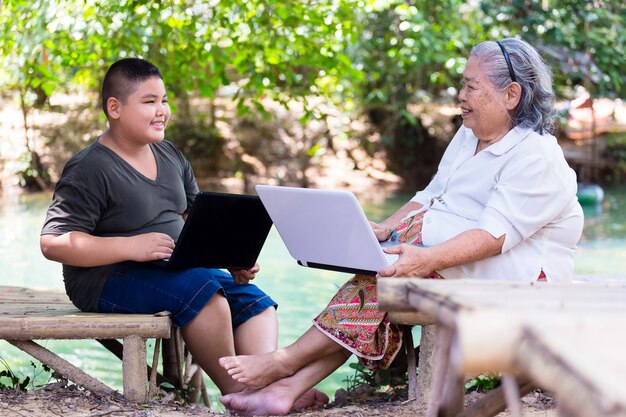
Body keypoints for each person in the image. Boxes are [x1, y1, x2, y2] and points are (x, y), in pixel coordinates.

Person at [217, 38, 584, 416]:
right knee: (381, 270)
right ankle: (285, 389)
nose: (460, 96)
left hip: (522, 279)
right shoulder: (468, 135)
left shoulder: (537, 157)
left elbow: (492, 236)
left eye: (471, 87)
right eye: (463, 85)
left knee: (384, 277)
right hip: (456, 260)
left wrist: (425, 257)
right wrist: (385, 229)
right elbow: (429, 197)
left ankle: (284, 364)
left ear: (511, 95)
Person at [39, 58, 328, 410]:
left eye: (164, 100)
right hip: (103, 278)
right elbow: (54, 243)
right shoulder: (90, 167)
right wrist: (130, 246)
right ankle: (240, 394)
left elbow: (198, 217)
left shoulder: (170, 154)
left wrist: (228, 256)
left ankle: (265, 381)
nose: (162, 111)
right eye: (149, 102)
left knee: (254, 302)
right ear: (114, 108)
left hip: (170, 267)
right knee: (206, 296)